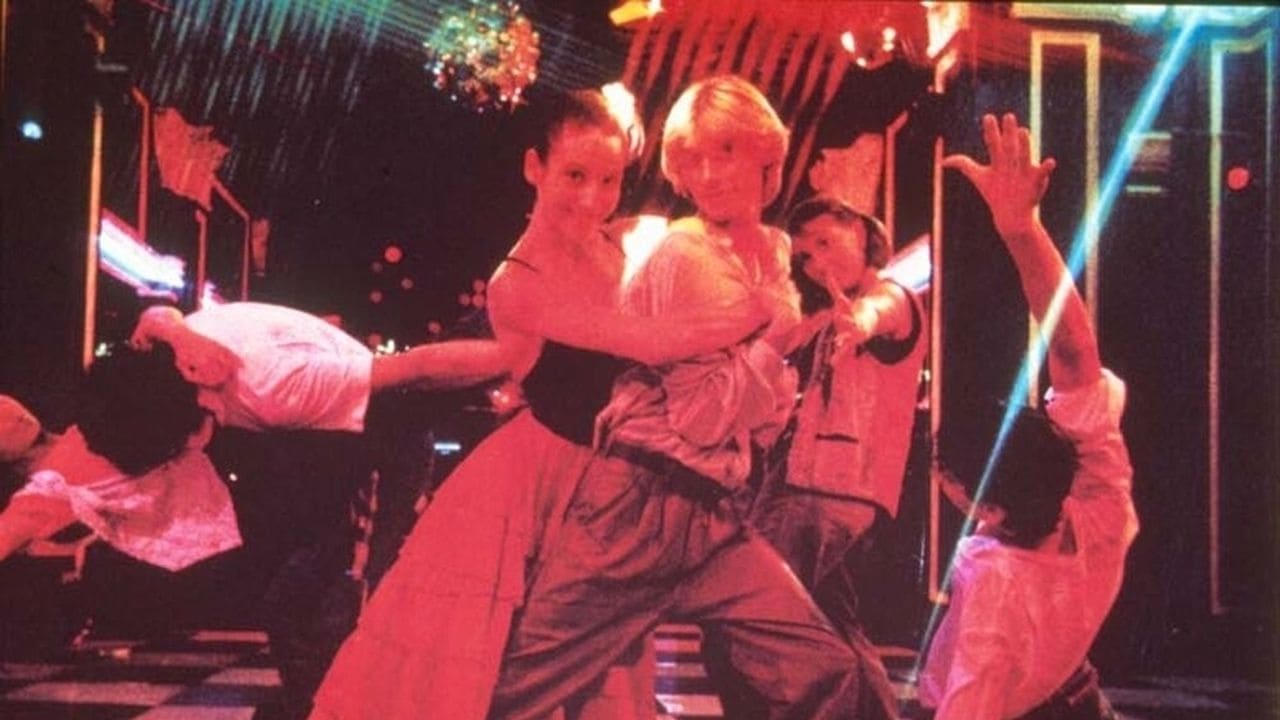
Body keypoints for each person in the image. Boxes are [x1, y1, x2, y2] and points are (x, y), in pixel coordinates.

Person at [310, 85, 768, 720]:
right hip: (535, 483)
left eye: (609, 180)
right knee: (497, 661)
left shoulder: (630, 241)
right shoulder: (516, 283)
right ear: (535, 167)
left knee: (596, 664)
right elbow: (647, 342)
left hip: (619, 480)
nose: (593, 197)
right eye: (575, 175)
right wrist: (754, 312)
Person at [484, 74, 863, 720]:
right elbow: (702, 416)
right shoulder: (686, 252)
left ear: (766, 154)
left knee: (824, 669)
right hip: (636, 507)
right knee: (518, 692)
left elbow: (762, 415)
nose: (709, 176)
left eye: (726, 152)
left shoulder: (772, 255)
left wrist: (782, 347)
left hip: (712, 512)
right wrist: (773, 340)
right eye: (693, 160)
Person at [917, 113, 1136, 719]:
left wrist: (1019, 227)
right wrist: (1021, 230)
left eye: (949, 480)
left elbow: (971, 703)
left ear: (986, 507)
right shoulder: (1101, 506)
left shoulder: (997, 585)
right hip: (1079, 697)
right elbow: (1074, 352)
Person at [738, 195, 926, 720]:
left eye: (826, 242)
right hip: (818, 486)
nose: (817, 263)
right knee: (837, 624)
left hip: (828, 490)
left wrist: (858, 323)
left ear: (862, 233)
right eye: (806, 255)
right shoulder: (826, 318)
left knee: (748, 614)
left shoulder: (891, 296)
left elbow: (876, 312)